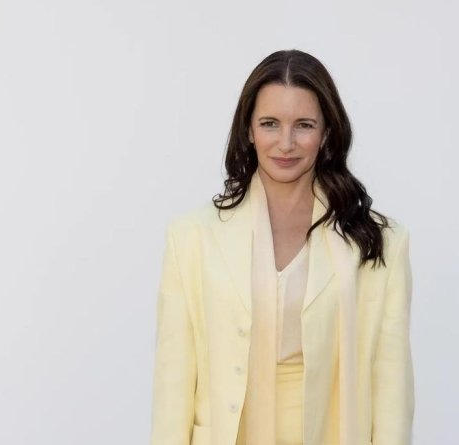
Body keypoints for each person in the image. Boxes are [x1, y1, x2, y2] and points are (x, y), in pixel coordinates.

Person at [150, 49, 414, 445]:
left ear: (327, 133)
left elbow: (391, 387)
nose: (286, 143)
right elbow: (173, 384)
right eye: (270, 124)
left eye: (303, 125)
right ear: (249, 130)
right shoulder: (191, 237)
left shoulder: (380, 242)